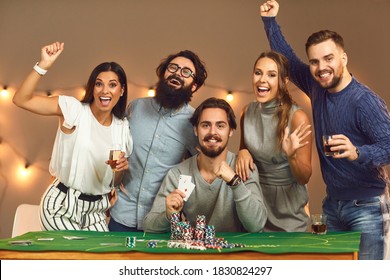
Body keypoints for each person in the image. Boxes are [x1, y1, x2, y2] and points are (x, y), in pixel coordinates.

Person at [260, 0, 390, 259]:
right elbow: (288, 58)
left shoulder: (364, 101)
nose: (321, 67)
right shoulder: (316, 86)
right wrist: (270, 21)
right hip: (332, 206)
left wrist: (358, 153)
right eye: (314, 61)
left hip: (367, 207)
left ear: (343, 58)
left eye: (328, 58)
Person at [12, 42, 132, 231]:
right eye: (99, 84)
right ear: (92, 88)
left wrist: (120, 170)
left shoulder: (122, 128)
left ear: (122, 90)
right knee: (73, 260)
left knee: (102, 261)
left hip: (96, 212)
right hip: (60, 207)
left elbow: (113, 181)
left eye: (112, 85)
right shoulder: (73, 110)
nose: (105, 91)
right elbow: (21, 99)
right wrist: (43, 65)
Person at [109, 50, 208, 231]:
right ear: (163, 73)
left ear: (194, 86)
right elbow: (112, 144)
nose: (177, 73)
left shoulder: (195, 121)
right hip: (121, 214)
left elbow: (202, 168)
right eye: (173, 67)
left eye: (186, 72)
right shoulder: (135, 107)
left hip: (161, 220)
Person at [143, 97, 267, 233]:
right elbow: (149, 225)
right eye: (205, 125)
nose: (212, 132)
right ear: (196, 130)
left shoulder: (243, 168)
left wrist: (235, 182)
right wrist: (168, 215)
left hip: (234, 252)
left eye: (220, 126)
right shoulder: (178, 173)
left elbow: (256, 225)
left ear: (230, 130)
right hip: (192, 252)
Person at [235, 50, 312, 232]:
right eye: (258, 73)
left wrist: (292, 156)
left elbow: (304, 177)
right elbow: (245, 152)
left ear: (283, 81)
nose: (262, 80)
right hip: (256, 204)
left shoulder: (297, 117)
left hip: (289, 210)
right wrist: (242, 151)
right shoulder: (247, 112)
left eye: (271, 75)